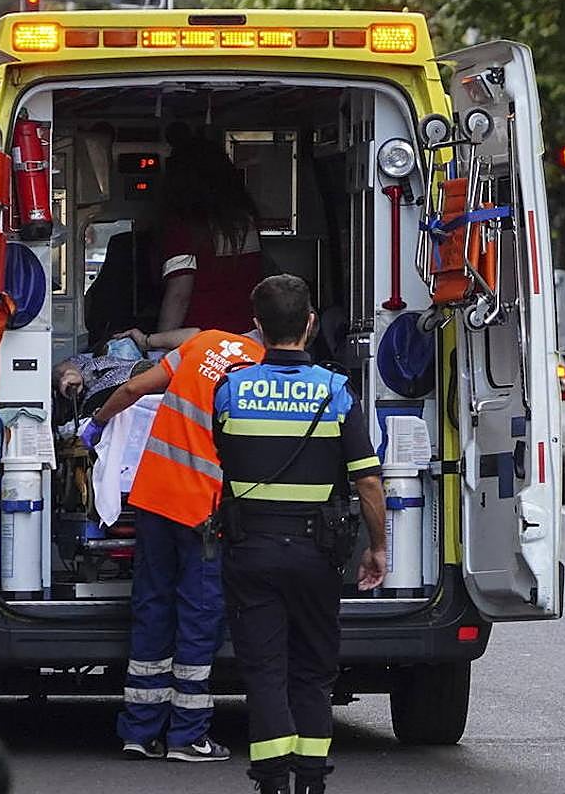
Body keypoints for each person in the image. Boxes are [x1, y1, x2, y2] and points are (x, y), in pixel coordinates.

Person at [212, 274, 388, 794]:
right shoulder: (335, 392)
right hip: (315, 553)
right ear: (311, 324)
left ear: (258, 328)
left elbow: (222, 458)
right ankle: (311, 779)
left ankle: (271, 781)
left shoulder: (231, 390)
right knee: (312, 669)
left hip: (250, 550)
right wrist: (377, 547)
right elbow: (368, 480)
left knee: (264, 672)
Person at [79, 325, 264, 763]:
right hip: (203, 510)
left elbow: (132, 390)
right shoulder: (262, 369)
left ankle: (140, 732)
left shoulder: (202, 343)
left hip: (154, 498)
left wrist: (97, 424)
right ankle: (187, 735)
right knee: (199, 618)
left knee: (152, 607)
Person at [156, 130, 263, 335]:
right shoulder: (244, 221)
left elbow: (179, 294)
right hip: (248, 338)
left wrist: (158, 345)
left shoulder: (184, 227)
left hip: (202, 343)